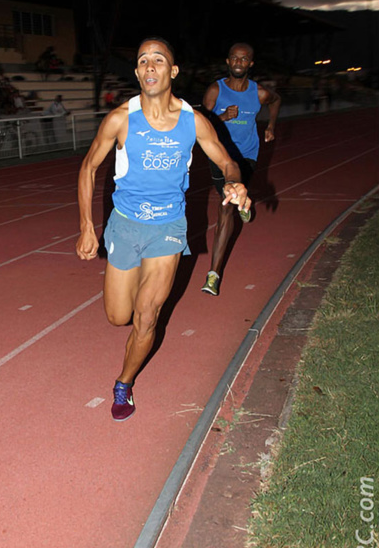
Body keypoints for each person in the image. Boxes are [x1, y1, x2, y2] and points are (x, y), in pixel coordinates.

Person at [76, 37, 250, 422]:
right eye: (143, 61)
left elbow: (227, 162)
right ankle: (132, 293)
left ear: (173, 71)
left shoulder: (193, 121)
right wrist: (87, 226)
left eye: (158, 59)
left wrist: (235, 182)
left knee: (147, 316)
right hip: (125, 226)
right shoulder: (121, 118)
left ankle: (124, 384)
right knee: (118, 316)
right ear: (137, 72)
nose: (150, 66)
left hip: (168, 227)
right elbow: (88, 167)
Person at [200, 42, 281, 297]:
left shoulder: (259, 93)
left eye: (244, 59)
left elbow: (276, 100)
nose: (238, 62)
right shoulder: (216, 90)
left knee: (226, 207)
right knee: (229, 202)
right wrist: (222, 117)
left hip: (246, 155)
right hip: (219, 156)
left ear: (250, 63)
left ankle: (213, 274)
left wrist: (271, 126)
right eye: (234, 58)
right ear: (228, 61)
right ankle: (243, 202)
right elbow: (200, 122)